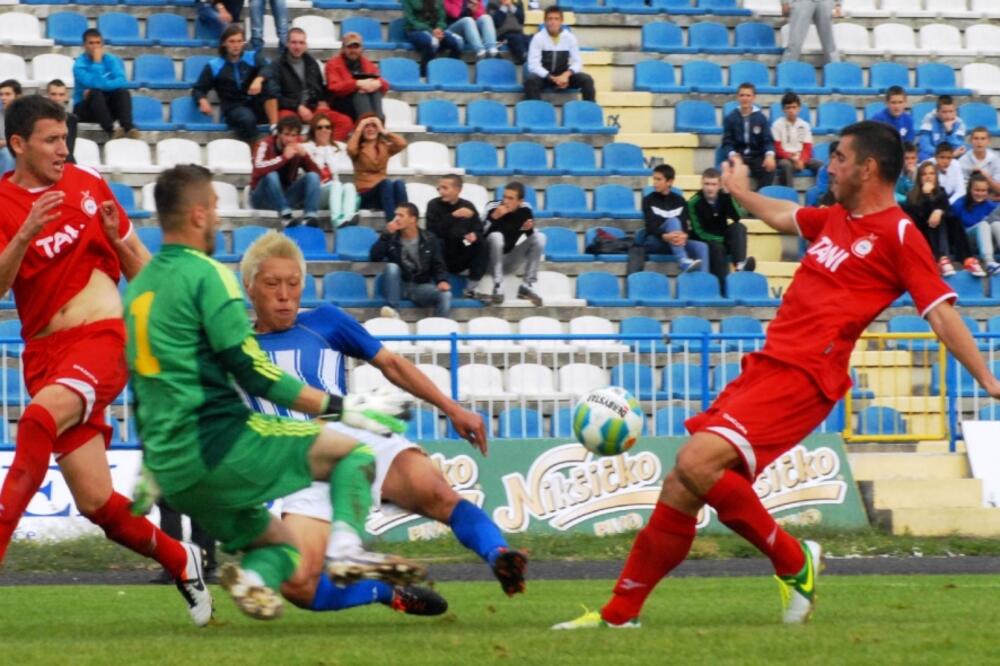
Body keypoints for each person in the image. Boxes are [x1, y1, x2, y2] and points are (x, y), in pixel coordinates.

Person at [553, 120, 1000, 631]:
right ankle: (619, 615)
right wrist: (741, 192)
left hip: (806, 375)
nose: (830, 167)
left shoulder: (899, 234)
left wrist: (988, 380)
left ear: (868, 168)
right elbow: (785, 215)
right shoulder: (837, 217)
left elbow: (941, 312)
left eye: (840, 158)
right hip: (769, 364)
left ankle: (793, 559)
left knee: (695, 461)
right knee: (682, 484)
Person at [123, 164, 423, 621]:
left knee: (282, 549)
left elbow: (145, 388)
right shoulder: (208, 276)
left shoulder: (138, 291)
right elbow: (256, 373)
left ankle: (253, 579)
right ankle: (347, 552)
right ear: (199, 214)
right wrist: (342, 406)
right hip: (222, 444)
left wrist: (151, 470)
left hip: (175, 471)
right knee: (353, 455)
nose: (218, 219)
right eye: (215, 208)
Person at [0, 96, 211, 626]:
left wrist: (121, 242)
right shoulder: (3, 205)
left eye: (64, 138)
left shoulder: (88, 185)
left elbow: (143, 272)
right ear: (18, 144)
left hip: (102, 340)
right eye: (51, 140)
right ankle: (180, 558)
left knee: (37, 420)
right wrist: (24, 235)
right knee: (97, 503)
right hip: (45, 357)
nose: (62, 149)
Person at [239, 231, 528, 613]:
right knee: (297, 584)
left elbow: (391, 364)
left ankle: (500, 555)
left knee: (436, 493)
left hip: (348, 434)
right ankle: (387, 592)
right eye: (272, 284)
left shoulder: (325, 321)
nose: (284, 295)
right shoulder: (233, 346)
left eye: (293, 284)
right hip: (294, 464)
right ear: (249, 287)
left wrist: (451, 407)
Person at [193, 23, 278, 143]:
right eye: (232, 41)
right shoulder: (214, 65)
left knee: (270, 85)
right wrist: (202, 100)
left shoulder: (252, 57)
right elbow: (198, 89)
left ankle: (275, 128)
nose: (236, 45)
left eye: (239, 41)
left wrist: (258, 80)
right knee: (247, 119)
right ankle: (257, 147)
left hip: (255, 102)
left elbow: (268, 69)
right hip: (234, 108)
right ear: (224, 43)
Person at [370, 203, 452, 318]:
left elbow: (439, 264)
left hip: (420, 287)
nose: (396, 219)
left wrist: (442, 280)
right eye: (396, 215)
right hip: (398, 285)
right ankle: (393, 312)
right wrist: (386, 235)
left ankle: (440, 327)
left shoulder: (429, 238)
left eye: (401, 215)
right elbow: (375, 257)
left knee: (445, 295)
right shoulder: (391, 237)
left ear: (413, 219)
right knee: (391, 267)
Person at [903, 161, 979, 277]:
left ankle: (967, 259)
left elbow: (948, 211)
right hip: (922, 235)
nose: (928, 177)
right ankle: (941, 259)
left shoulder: (941, 192)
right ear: (919, 178)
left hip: (941, 235)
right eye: (924, 174)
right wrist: (927, 195)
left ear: (936, 176)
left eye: (931, 173)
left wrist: (940, 211)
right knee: (933, 219)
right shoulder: (911, 195)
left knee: (952, 219)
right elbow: (919, 216)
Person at [250, 115, 322, 228]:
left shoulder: (296, 149)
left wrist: (305, 156)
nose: (290, 139)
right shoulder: (265, 144)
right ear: (278, 134)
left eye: (294, 135)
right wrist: (284, 158)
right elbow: (258, 168)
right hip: (262, 198)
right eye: (286, 134)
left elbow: (318, 175)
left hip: (285, 197)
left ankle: (310, 217)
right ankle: (286, 217)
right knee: (271, 175)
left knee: (312, 176)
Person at [687, 168, 755, 285]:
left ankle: (739, 265)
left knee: (738, 227)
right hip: (706, 241)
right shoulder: (694, 202)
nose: (710, 188)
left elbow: (738, 216)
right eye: (707, 184)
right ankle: (722, 286)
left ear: (719, 185)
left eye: (713, 184)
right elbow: (699, 232)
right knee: (717, 248)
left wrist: (730, 195)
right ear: (702, 184)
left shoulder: (724, 197)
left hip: (722, 238)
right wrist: (721, 240)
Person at [482, 181, 545, 305]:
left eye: (510, 198)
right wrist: (493, 218)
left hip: (510, 259)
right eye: (504, 197)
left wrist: (529, 229)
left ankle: (526, 286)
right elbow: (477, 235)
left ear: (520, 201)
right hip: (488, 261)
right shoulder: (492, 207)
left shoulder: (526, 210)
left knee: (540, 237)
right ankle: (498, 286)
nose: (506, 201)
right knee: (496, 236)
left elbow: (529, 236)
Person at [426, 174, 489, 298]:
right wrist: (453, 216)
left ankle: (471, 287)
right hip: (443, 253)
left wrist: (474, 235)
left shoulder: (468, 206)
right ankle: (441, 281)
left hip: (462, 248)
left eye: (445, 188)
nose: (441, 192)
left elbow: (479, 229)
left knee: (482, 242)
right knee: (436, 241)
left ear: (458, 190)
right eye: (439, 188)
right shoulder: (433, 205)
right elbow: (432, 231)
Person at [640, 164, 707, 273]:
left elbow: (685, 225)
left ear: (669, 182)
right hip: (656, 241)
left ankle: (705, 280)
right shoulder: (648, 200)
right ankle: (683, 260)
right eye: (654, 179)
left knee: (702, 247)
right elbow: (650, 226)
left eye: (659, 179)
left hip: (676, 242)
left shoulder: (680, 200)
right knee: (673, 221)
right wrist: (664, 236)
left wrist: (685, 235)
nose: (655, 183)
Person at [72, 30, 138, 140]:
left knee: (122, 92)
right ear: (84, 45)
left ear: (102, 44)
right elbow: (95, 83)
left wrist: (102, 86)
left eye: (98, 43)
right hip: (85, 109)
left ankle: (128, 128)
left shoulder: (111, 60)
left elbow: (121, 81)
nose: (95, 46)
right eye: (91, 43)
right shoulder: (79, 65)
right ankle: (111, 131)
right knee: (95, 93)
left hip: (105, 108)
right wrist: (97, 62)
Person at [525, 6, 596, 102]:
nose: (553, 22)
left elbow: (578, 62)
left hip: (564, 77)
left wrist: (566, 75)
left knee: (586, 79)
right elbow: (533, 65)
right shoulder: (538, 38)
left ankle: (589, 109)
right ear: (545, 21)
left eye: (556, 19)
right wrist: (552, 78)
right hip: (545, 77)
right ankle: (535, 110)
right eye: (550, 19)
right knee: (531, 80)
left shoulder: (569, 37)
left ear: (561, 21)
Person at [347, 114, 408, 221]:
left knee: (399, 183)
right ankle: (391, 222)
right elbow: (351, 149)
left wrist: (384, 130)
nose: (371, 129)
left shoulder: (385, 146)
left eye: (374, 126)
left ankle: (405, 221)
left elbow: (402, 144)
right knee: (386, 183)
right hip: (366, 195)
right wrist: (359, 128)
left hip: (385, 195)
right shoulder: (358, 148)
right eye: (367, 126)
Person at [303, 115, 358, 228]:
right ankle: (336, 220)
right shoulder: (305, 147)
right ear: (313, 130)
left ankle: (347, 219)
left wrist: (328, 150)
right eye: (320, 127)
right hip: (316, 193)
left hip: (335, 191)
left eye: (327, 127)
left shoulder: (340, 147)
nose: (324, 130)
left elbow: (348, 165)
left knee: (349, 186)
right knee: (336, 184)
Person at [270, 28, 332, 128]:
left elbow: (319, 87)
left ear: (305, 45)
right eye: (294, 42)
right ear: (287, 44)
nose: (297, 46)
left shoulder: (312, 63)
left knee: (343, 122)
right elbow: (275, 96)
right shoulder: (277, 65)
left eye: (301, 43)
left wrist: (322, 101)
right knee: (287, 125)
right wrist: (298, 107)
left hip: (312, 108)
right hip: (290, 109)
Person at [324, 33, 389, 126]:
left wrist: (378, 83)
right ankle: (370, 125)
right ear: (343, 48)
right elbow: (334, 88)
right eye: (350, 47)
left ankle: (377, 123)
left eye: (356, 47)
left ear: (361, 48)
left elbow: (385, 85)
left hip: (363, 102)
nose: (353, 50)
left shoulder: (367, 63)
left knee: (375, 92)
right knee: (360, 93)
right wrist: (356, 84)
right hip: (341, 103)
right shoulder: (332, 64)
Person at [721, 83, 776, 189]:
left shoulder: (761, 118)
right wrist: (732, 154)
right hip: (739, 156)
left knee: (769, 168)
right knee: (731, 169)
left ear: (754, 97)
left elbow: (767, 140)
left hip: (756, 156)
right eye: (742, 95)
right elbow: (727, 141)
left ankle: (759, 195)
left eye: (748, 95)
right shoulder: (731, 118)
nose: (745, 98)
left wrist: (770, 155)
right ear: (737, 97)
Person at [951, 173, 1000, 275]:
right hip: (967, 242)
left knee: (996, 224)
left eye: (983, 190)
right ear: (970, 189)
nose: (980, 193)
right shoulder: (959, 204)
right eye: (977, 190)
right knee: (983, 224)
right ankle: (989, 262)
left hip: (988, 243)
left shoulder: (991, 205)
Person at [771, 92, 822, 187]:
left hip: (801, 157)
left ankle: (821, 192)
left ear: (799, 108)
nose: (791, 110)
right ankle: (789, 193)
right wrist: (792, 159)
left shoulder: (805, 125)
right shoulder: (777, 125)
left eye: (794, 107)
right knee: (786, 165)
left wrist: (801, 160)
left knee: (821, 165)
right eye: (788, 107)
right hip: (784, 158)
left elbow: (807, 147)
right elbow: (777, 149)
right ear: (783, 109)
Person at [402, 0, 463, 75]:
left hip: (435, 29)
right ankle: (424, 74)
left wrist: (439, 28)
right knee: (430, 42)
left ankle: (447, 71)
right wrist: (431, 31)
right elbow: (411, 20)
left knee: (456, 43)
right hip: (415, 29)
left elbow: (442, 18)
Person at [917, 95, 966, 162]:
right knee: (922, 155)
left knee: (963, 156)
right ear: (938, 112)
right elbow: (925, 146)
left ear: (955, 111)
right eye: (944, 112)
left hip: (951, 156)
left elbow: (959, 147)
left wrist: (949, 132)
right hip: (933, 155)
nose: (948, 115)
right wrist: (944, 155)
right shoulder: (929, 119)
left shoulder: (959, 122)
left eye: (951, 111)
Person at [959, 126, 1000, 194]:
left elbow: (999, 189)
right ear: (970, 141)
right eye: (976, 138)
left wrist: (985, 176)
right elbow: (961, 189)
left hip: (992, 195)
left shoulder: (996, 159)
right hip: (971, 196)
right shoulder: (963, 160)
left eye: (983, 139)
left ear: (989, 141)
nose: (979, 142)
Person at [45, 80, 77, 164]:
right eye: (53, 94)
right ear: (47, 95)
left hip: (64, 159)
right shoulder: (37, 118)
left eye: (61, 95)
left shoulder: (71, 119)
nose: (57, 98)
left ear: (66, 97)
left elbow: (69, 147)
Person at [489, 0, 529, 65]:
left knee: (529, 39)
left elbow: (522, 19)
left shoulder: (517, 3)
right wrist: (504, 6)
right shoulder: (493, 4)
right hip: (504, 35)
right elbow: (497, 22)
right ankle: (525, 58)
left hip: (519, 33)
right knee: (517, 39)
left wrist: (511, 6)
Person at [0, 79, 22, 175]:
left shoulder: (27, 113)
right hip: (5, 150)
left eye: (7, 94)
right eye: (1, 94)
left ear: (17, 96)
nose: (3, 98)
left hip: (20, 149)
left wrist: (5, 143)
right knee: (6, 153)